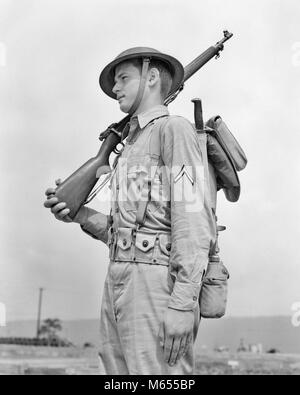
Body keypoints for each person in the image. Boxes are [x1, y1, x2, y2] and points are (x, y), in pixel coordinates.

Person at [44, 47, 216, 375]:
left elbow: (193, 222)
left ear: (152, 77)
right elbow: (124, 230)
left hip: (156, 283)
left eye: (123, 79)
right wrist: (78, 213)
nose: (115, 89)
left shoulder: (174, 130)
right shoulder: (131, 144)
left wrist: (183, 302)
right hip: (118, 277)